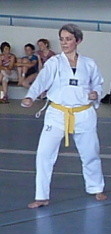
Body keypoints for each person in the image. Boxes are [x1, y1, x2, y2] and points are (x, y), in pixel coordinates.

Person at [21, 24, 106, 208]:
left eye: (68, 39)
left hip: (84, 113)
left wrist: (96, 94)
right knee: (44, 154)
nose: (64, 43)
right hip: (57, 113)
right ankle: (41, 196)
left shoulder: (89, 63)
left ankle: (96, 187)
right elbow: (42, 80)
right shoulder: (54, 62)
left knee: (90, 153)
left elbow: (98, 84)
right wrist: (30, 96)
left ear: (78, 40)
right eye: (62, 39)